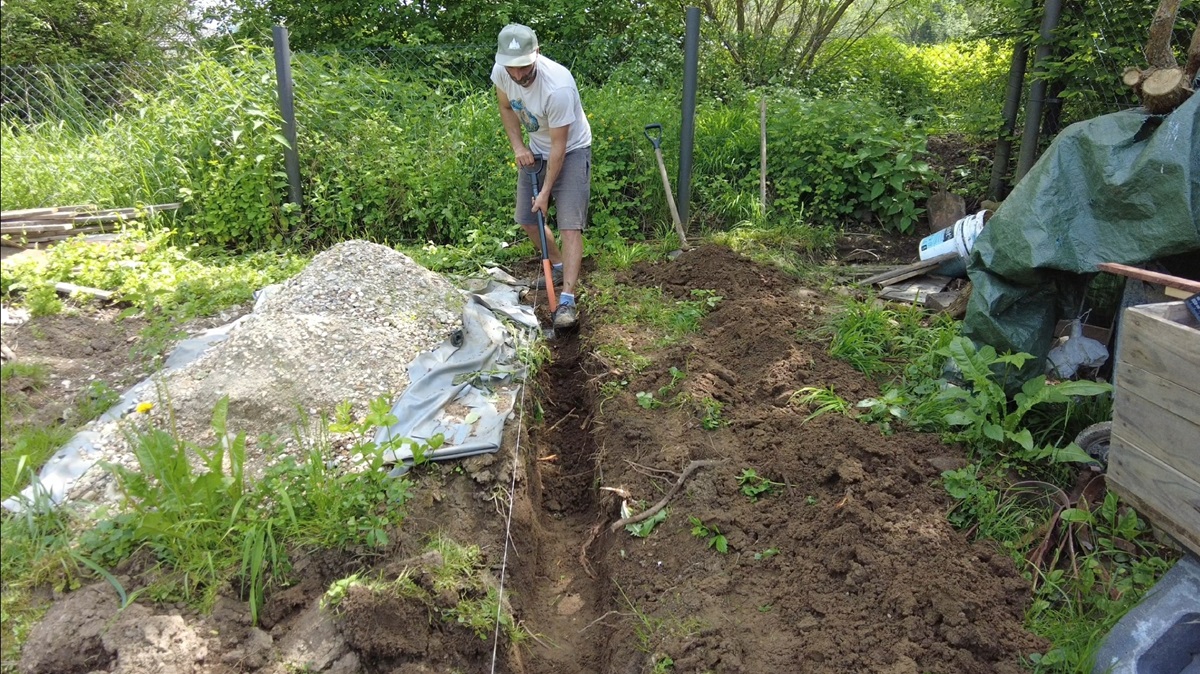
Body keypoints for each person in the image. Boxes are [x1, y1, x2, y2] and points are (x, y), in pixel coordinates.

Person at [491, 23, 592, 329]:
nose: (519, 76)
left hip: (571, 150)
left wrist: (546, 191)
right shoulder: (502, 72)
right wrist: (519, 145)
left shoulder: (558, 86)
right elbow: (505, 106)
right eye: (513, 69)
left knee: (569, 225)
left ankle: (567, 300)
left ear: (536, 53)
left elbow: (560, 146)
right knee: (526, 217)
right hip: (536, 149)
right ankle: (559, 266)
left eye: (524, 68)